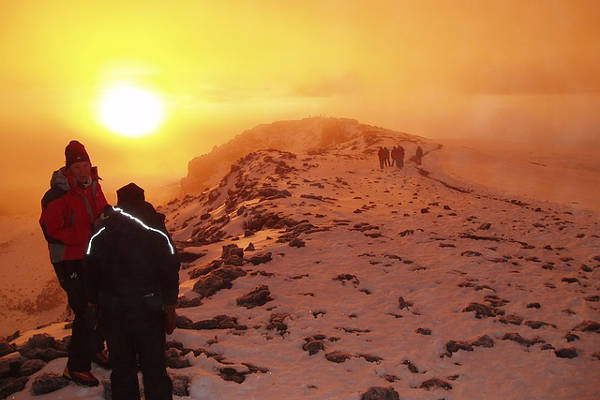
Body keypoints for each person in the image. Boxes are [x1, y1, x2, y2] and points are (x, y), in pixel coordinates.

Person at [86, 183, 180, 400]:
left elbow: (90, 268)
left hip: (113, 310)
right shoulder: (156, 231)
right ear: (143, 200)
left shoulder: (101, 231)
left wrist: (94, 302)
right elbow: (170, 267)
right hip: (148, 308)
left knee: (122, 367)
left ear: (119, 204)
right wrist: (169, 304)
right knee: (154, 367)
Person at [39, 140, 110, 386]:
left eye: (85, 165)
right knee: (85, 309)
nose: (82, 170)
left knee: (101, 302)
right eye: (77, 166)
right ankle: (76, 368)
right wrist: (90, 233)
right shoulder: (57, 194)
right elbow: (51, 230)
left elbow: (100, 209)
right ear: (69, 168)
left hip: (90, 255)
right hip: (68, 260)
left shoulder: (92, 185)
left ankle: (94, 348)